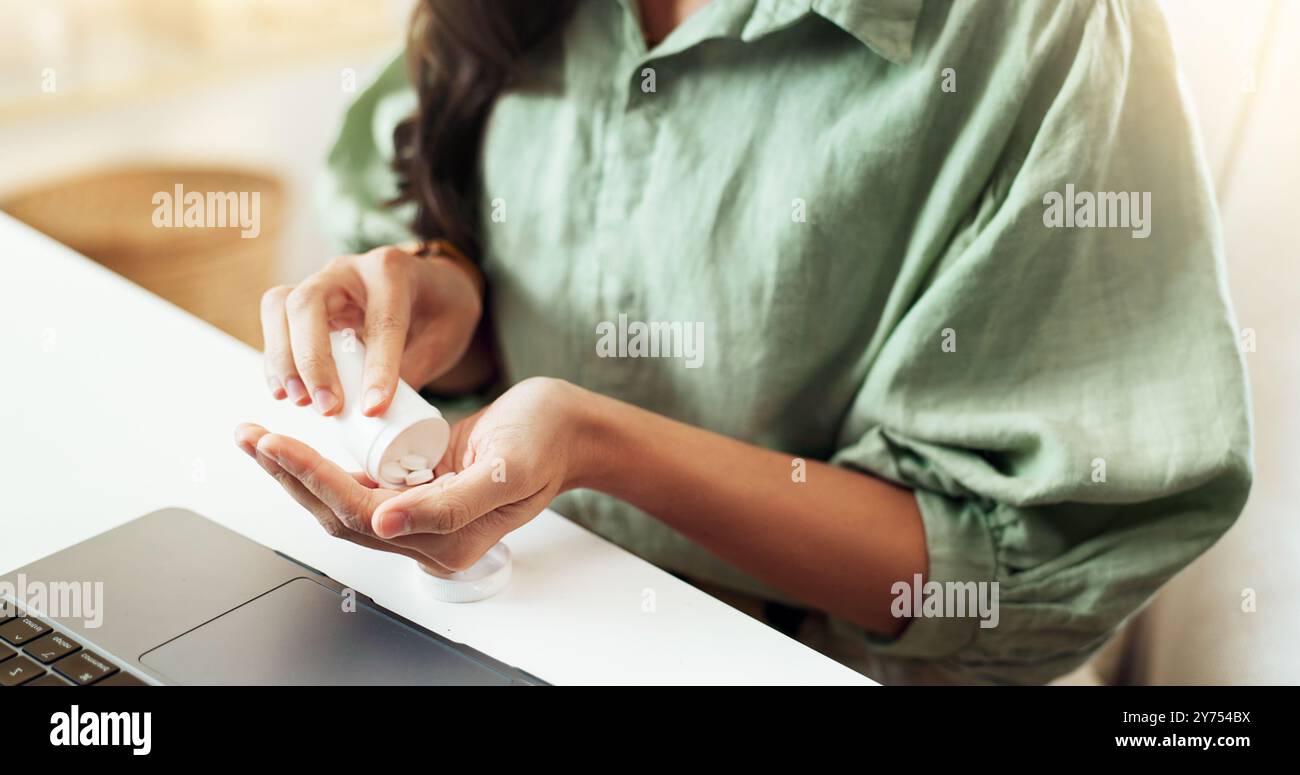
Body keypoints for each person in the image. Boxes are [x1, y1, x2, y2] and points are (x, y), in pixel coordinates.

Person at [233, 0, 1252, 684]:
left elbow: (1015, 555)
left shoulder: (1036, 33)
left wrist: (598, 444)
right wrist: (441, 290)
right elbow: (529, 241)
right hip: (506, 620)